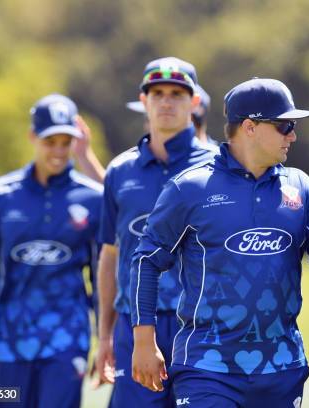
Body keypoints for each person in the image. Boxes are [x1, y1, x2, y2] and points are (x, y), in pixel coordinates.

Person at [130, 78, 309, 407]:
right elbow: (146, 261)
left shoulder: (300, 186)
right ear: (249, 127)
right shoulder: (190, 188)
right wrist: (144, 341)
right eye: (284, 125)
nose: (293, 135)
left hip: (283, 368)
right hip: (206, 368)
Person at [0, 94, 102, 408]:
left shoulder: (94, 198)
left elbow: (102, 273)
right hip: (10, 339)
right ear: (33, 137)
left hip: (68, 338)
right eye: (51, 142)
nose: (59, 151)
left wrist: (106, 340)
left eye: (66, 142)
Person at [96, 57, 218, 407]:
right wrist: (104, 335)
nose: (166, 101)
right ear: (143, 100)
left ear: (194, 102)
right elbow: (110, 255)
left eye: (177, 94)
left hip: (200, 327)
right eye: (158, 93)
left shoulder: (217, 166)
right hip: (134, 327)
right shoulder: (119, 171)